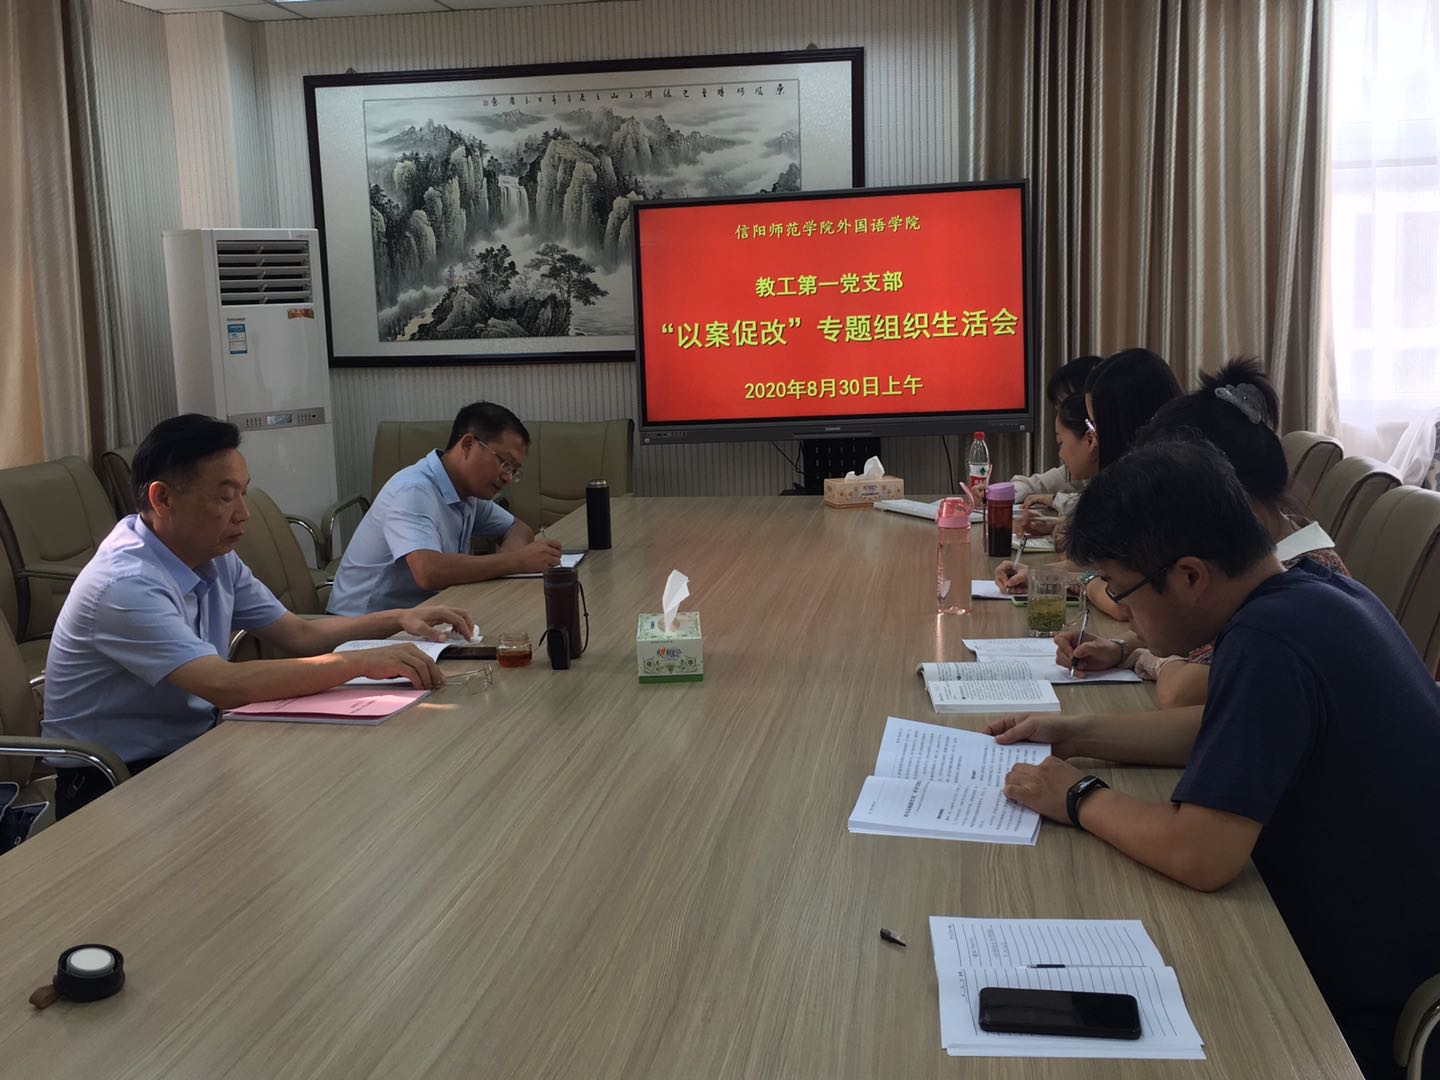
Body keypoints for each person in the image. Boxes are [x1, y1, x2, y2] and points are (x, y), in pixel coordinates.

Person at [988, 439, 1440, 1080]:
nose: (1125, 613)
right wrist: (1073, 733)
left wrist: (1077, 795)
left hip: (1359, 1010)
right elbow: (1220, 732)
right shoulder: (1315, 592)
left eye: (1123, 590)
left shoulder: (1268, 642)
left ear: (1190, 576)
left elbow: (1201, 854)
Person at [42, 415, 474, 819]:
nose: (243, 513)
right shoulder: (124, 583)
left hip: (195, 750)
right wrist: (360, 662)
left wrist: (398, 618)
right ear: (163, 498)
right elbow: (224, 685)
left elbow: (298, 633)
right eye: (225, 497)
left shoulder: (212, 556)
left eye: (243, 494)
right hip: (116, 782)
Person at [1063, 358, 1350, 706]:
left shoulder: (1293, 587)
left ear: (1222, 489)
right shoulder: (1267, 563)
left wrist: (1147, 657)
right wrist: (1123, 648)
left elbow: (1183, 694)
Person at [326, 402, 562, 616]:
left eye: (514, 470)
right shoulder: (413, 491)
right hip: (360, 628)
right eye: (504, 462)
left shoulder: (468, 492)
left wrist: (509, 559)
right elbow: (428, 571)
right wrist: (516, 562)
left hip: (418, 617)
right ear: (468, 444)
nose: (507, 477)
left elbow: (518, 528)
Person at [994, 347, 1182, 603]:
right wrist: (1040, 575)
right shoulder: (1149, 473)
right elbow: (1105, 566)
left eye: (1092, 423)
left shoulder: (1156, 489)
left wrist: (1078, 581)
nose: (1092, 437)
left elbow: (1125, 599)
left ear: (1122, 423)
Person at [1007, 355, 1102, 517]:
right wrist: (994, 494)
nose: (1064, 416)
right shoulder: (1077, 467)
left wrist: (1055, 500)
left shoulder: (1127, 469)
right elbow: (1035, 484)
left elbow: (1100, 508)